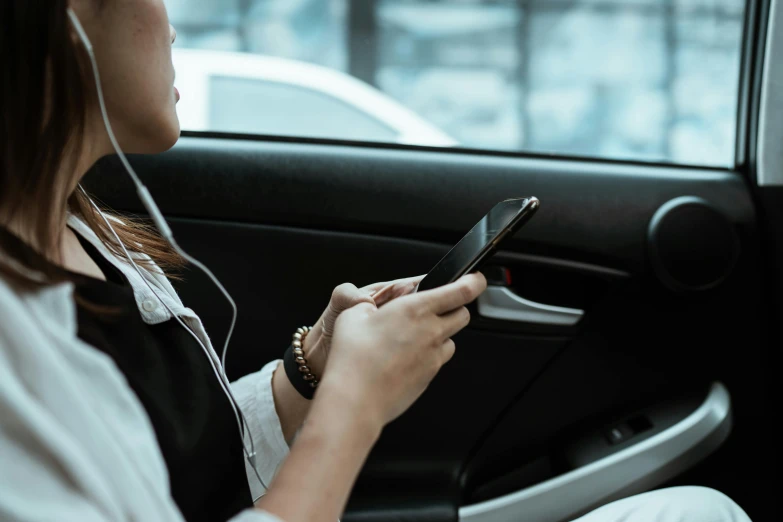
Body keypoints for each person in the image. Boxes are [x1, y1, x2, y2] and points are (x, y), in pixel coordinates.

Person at [0, 1, 752, 521]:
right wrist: (353, 405)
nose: (175, 22)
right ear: (63, 23)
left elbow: (184, 462)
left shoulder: (83, 226)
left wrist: (311, 370)